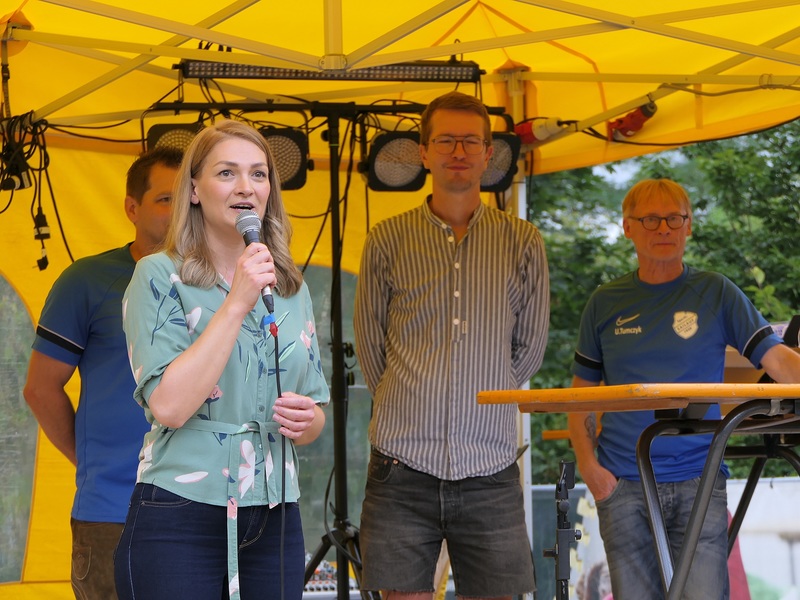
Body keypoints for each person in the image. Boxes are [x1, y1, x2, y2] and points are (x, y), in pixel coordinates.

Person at [114, 120, 328, 600]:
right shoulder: (159, 276)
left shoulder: (291, 286)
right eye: (227, 173)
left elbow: (315, 416)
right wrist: (236, 303)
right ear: (193, 189)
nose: (246, 187)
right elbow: (168, 406)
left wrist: (306, 418)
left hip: (275, 512)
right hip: (182, 511)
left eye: (258, 174)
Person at [354, 91, 550, 599]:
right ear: (423, 152)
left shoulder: (523, 241)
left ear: (490, 154)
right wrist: (412, 396)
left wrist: (480, 394)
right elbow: (372, 347)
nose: (458, 151)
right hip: (401, 466)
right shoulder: (386, 239)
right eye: (445, 140)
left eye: (471, 141)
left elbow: (529, 350)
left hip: (490, 465)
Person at [567, 178, 800, 600]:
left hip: (700, 477)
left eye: (674, 219)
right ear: (628, 228)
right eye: (651, 219)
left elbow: (779, 361)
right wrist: (591, 470)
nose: (663, 229)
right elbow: (580, 395)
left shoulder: (716, 291)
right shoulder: (605, 302)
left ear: (689, 226)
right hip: (623, 481)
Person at [23, 146, 182, 600]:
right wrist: (93, 463)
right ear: (132, 208)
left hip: (205, 511)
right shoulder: (88, 281)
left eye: (189, 199)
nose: (180, 212)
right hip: (114, 511)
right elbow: (40, 388)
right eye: (164, 199)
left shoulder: (221, 284)